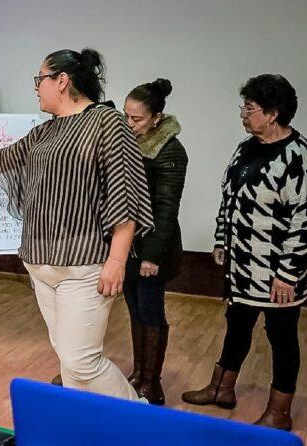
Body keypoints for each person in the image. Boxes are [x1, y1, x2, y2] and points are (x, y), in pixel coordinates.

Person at [0, 50, 153, 400]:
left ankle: (142, 422)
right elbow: (2, 158)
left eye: (40, 79)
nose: (36, 88)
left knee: (82, 362)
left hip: (85, 263)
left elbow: (124, 195)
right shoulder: (45, 131)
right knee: (68, 360)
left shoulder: (107, 123)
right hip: (41, 262)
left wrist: (116, 262)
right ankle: (91, 427)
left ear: (62, 81)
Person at [182, 74, 307, 430]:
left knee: (281, 338)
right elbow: (229, 197)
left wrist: (288, 274)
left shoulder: (300, 157)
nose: (243, 115)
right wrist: (221, 239)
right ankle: (222, 389)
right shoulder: (246, 147)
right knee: (237, 326)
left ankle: (279, 413)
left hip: (280, 274)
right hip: (243, 267)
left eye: (250, 108)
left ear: (273, 113)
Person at [121, 78, 188, 404]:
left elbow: (166, 209)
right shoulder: (128, 144)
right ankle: (138, 373)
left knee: (151, 311)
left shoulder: (170, 150)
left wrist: (151, 255)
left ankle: (152, 383)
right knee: (134, 310)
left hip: (153, 249)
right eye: (126, 116)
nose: (129, 123)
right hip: (128, 245)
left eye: (137, 119)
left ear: (157, 118)